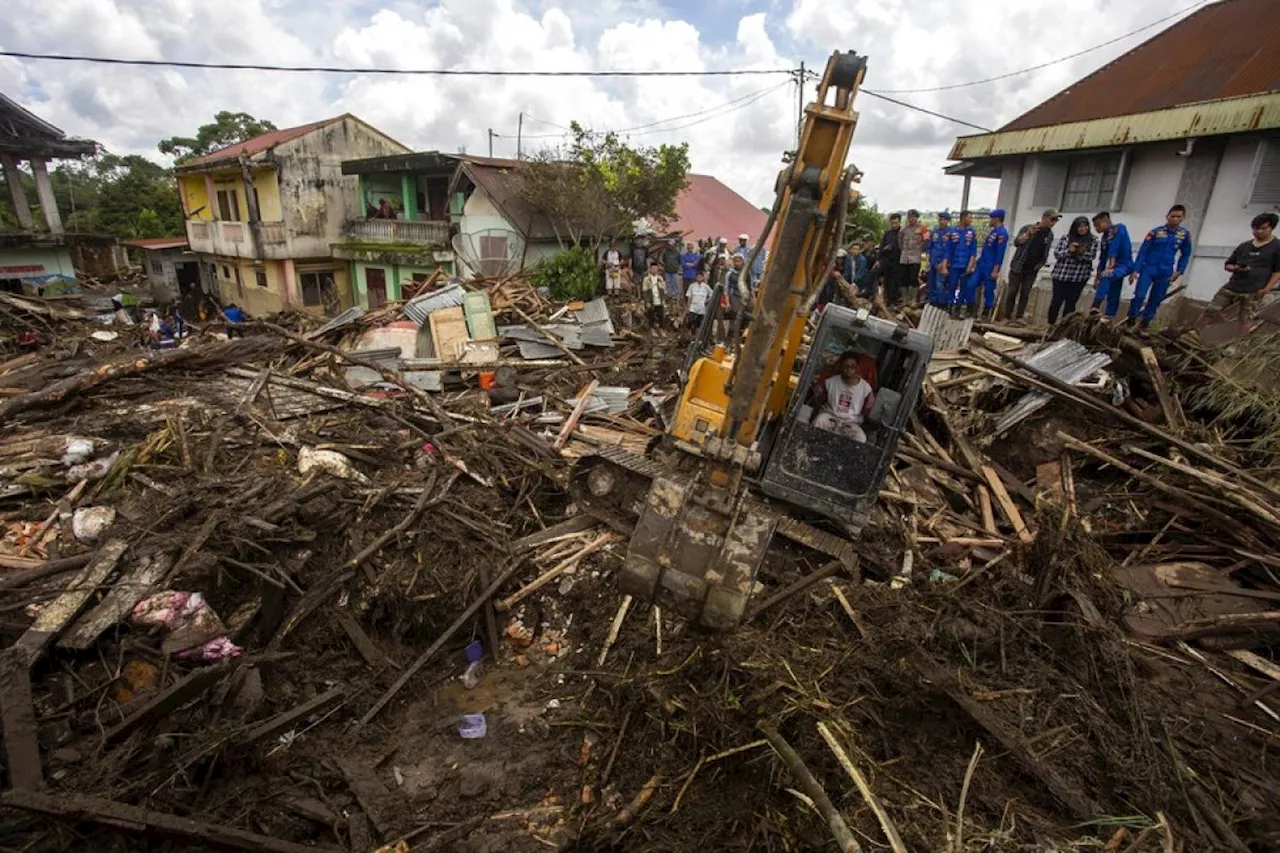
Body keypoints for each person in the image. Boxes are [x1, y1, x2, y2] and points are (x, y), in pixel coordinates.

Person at [1205, 212, 1280, 323]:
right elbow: (1228, 264)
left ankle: (1239, 340)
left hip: (1254, 290)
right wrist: (1235, 268)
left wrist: (1266, 289)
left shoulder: (1277, 247)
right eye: (1255, 228)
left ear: (1271, 228)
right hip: (1233, 286)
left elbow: (1277, 271)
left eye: (1263, 228)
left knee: (1245, 319)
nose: (1258, 231)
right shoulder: (1244, 246)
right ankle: (1194, 333)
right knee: (1211, 310)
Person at [1128, 204, 1193, 329]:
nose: (1174, 219)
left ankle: (1144, 325)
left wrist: (1180, 271)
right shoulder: (1155, 232)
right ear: (1167, 216)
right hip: (1148, 269)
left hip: (1166, 271)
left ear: (1182, 218)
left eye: (1178, 217)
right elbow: (1143, 251)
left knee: (1156, 299)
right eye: (1172, 216)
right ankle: (1130, 320)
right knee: (1140, 295)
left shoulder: (1184, 235)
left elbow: (1185, 254)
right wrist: (1136, 270)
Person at [1001, 208, 1059, 322]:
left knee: (1025, 292)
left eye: (1055, 220)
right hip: (1018, 266)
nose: (1053, 223)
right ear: (1044, 218)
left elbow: (1045, 252)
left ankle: (1019, 317)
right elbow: (1017, 242)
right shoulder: (1028, 228)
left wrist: (1039, 265)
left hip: (1032, 269)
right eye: (1052, 219)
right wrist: (1028, 234)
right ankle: (1007, 316)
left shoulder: (1049, 235)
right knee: (1012, 291)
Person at [812, 352, 876, 443]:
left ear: (857, 367)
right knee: (818, 421)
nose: (849, 370)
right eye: (846, 366)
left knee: (861, 438)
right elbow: (820, 400)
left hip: (851, 423)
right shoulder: (830, 382)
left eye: (852, 367)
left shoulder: (866, 389)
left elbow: (869, 410)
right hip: (830, 417)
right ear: (841, 366)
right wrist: (818, 393)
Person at [1047, 217, 1098, 324]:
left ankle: (1064, 327)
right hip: (1061, 276)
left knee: (1070, 304)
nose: (1083, 229)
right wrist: (1069, 251)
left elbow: (1091, 256)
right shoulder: (1066, 238)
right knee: (1056, 302)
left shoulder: (1093, 240)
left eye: (1085, 226)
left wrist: (1081, 252)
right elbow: (1057, 254)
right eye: (1080, 226)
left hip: (1078, 278)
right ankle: (1050, 325)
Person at [964, 209, 1009, 318]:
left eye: (991, 219)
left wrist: (995, 270)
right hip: (981, 264)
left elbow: (1000, 253)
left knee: (988, 290)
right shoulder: (993, 232)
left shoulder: (1002, 233)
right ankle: (971, 310)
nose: (990, 221)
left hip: (991, 266)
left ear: (996, 219)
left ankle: (985, 313)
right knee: (970, 285)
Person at [1089, 212, 1133, 320]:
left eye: (1098, 225)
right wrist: (1097, 278)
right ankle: (1109, 316)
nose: (1096, 228)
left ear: (1106, 221)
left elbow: (1115, 247)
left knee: (1107, 276)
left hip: (1124, 265)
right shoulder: (1104, 238)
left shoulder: (1119, 228)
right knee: (1113, 292)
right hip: (1114, 267)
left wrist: (1110, 267)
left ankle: (1095, 306)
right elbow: (1102, 259)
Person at [945, 211, 978, 313]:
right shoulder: (952, 231)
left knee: (964, 288)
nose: (971, 220)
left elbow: (973, 251)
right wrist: (945, 265)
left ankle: (958, 308)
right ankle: (949, 307)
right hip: (954, 265)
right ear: (963, 218)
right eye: (969, 218)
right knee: (952, 285)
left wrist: (970, 266)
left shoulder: (971, 232)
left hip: (965, 265)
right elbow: (948, 250)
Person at [897, 209, 929, 306]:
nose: (911, 219)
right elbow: (900, 242)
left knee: (913, 278)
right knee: (903, 278)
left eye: (913, 217)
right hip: (904, 257)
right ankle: (905, 299)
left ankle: (913, 300)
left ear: (917, 218)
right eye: (909, 217)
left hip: (915, 257)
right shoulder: (904, 230)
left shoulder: (923, 229)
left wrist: (921, 250)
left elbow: (926, 241)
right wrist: (904, 250)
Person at [924, 211, 953, 307]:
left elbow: (951, 251)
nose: (942, 222)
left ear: (948, 221)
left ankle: (941, 304)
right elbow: (929, 247)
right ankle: (932, 302)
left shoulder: (951, 233)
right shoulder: (934, 231)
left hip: (943, 263)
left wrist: (945, 263)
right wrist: (927, 260)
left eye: (944, 220)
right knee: (931, 283)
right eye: (940, 219)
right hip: (933, 261)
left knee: (940, 284)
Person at [684, 270, 712, 335]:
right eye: (698, 277)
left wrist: (707, 301)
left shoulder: (706, 287)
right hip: (693, 307)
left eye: (700, 277)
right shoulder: (692, 286)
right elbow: (689, 297)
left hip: (702, 308)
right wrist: (688, 307)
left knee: (699, 323)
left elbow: (712, 294)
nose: (699, 278)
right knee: (690, 321)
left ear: (703, 278)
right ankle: (689, 334)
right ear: (696, 277)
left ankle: (697, 336)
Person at [642, 261, 666, 327]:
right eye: (653, 269)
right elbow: (645, 291)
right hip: (651, 299)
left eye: (655, 269)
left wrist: (663, 299)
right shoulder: (646, 279)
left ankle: (661, 328)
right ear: (650, 269)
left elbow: (663, 290)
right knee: (651, 315)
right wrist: (647, 301)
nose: (654, 270)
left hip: (659, 299)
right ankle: (652, 329)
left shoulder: (660, 278)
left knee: (661, 315)